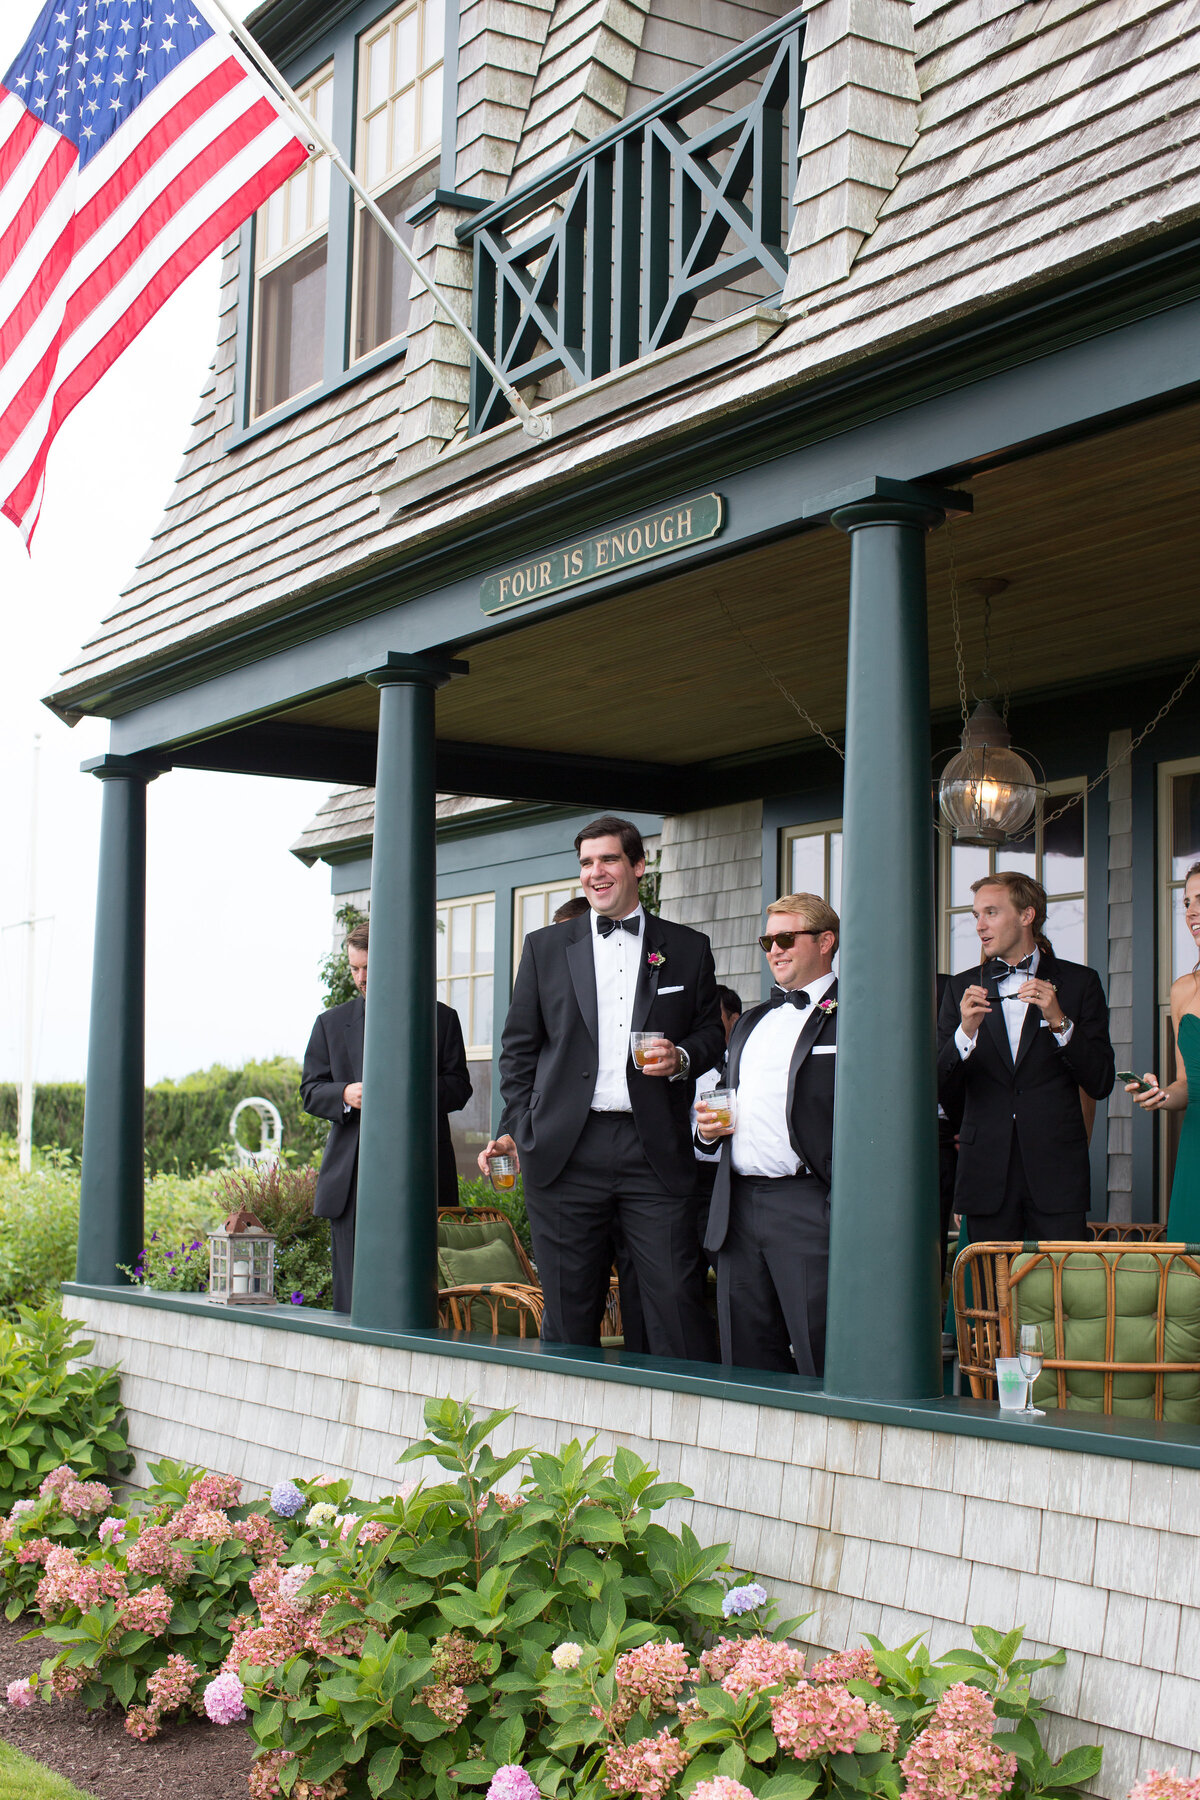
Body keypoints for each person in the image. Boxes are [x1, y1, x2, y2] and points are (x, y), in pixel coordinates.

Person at [479, 814, 724, 1357]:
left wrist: (681, 1057)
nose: (596, 872)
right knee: (569, 1315)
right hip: (565, 1151)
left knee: (675, 1305)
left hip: (654, 1149)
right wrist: (517, 1127)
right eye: (586, 863)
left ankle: (674, 1409)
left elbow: (711, 1032)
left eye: (608, 859)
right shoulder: (544, 948)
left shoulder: (688, 947)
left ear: (638, 865)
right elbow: (518, 1049)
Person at [696, 896, 839, 1377]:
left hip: (808, 1203)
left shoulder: (855, 1015)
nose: (774, 950)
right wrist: (707, 1130)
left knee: (819, 1352)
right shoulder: (751, 1021)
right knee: (745, 1357)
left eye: (786, 938)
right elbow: (726, 1095)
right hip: (737, 1205)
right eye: (768, 940)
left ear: (825, 941)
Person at [301, 921, 472, 1310]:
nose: (361, 978)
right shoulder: (330, 1023)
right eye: (354, 968)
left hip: (423, 1173)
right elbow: (310, 1090)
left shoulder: (442, 1019)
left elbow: (460, 1087)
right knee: (350, 1296)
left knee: (424, 1290)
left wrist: (409, 1093)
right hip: (352, 1178)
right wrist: (345, 1093)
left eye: (368, 968)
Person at [937, 871, 1114, 1243]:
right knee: (988, 1282)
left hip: (1057, 1176)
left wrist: (1059, 1021)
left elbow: (1100, 1081)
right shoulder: (959, 988)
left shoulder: (1080, 983)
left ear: (1026, 915)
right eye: (976, 915)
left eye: (991, 912)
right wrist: (964, 1034)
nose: (979, 925)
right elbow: (937, 1086)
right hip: (985, 1175)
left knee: (1060, 1280)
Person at [1124, 858, 1200, 1238]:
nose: (1191, 912)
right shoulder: (1183, 990)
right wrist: (1162, 1094)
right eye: (1187, 902)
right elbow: (1188, 1084)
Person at [692, 985, 744, 1249]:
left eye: (715, 1016)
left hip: (731, 1177)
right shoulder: (690, 1060)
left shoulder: (748, 1060)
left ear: (734, 1020)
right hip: (692, 1176)